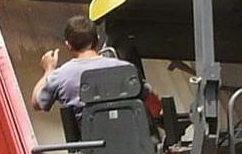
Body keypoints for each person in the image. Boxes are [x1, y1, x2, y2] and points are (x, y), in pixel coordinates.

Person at [31, 15, 160, 118]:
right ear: (97, 39)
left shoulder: (60, 76)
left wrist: (48, 70)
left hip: (90, 149)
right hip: (134, 146)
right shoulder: (127, 69)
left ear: (68, 45)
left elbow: (36, 103)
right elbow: (155, 108)